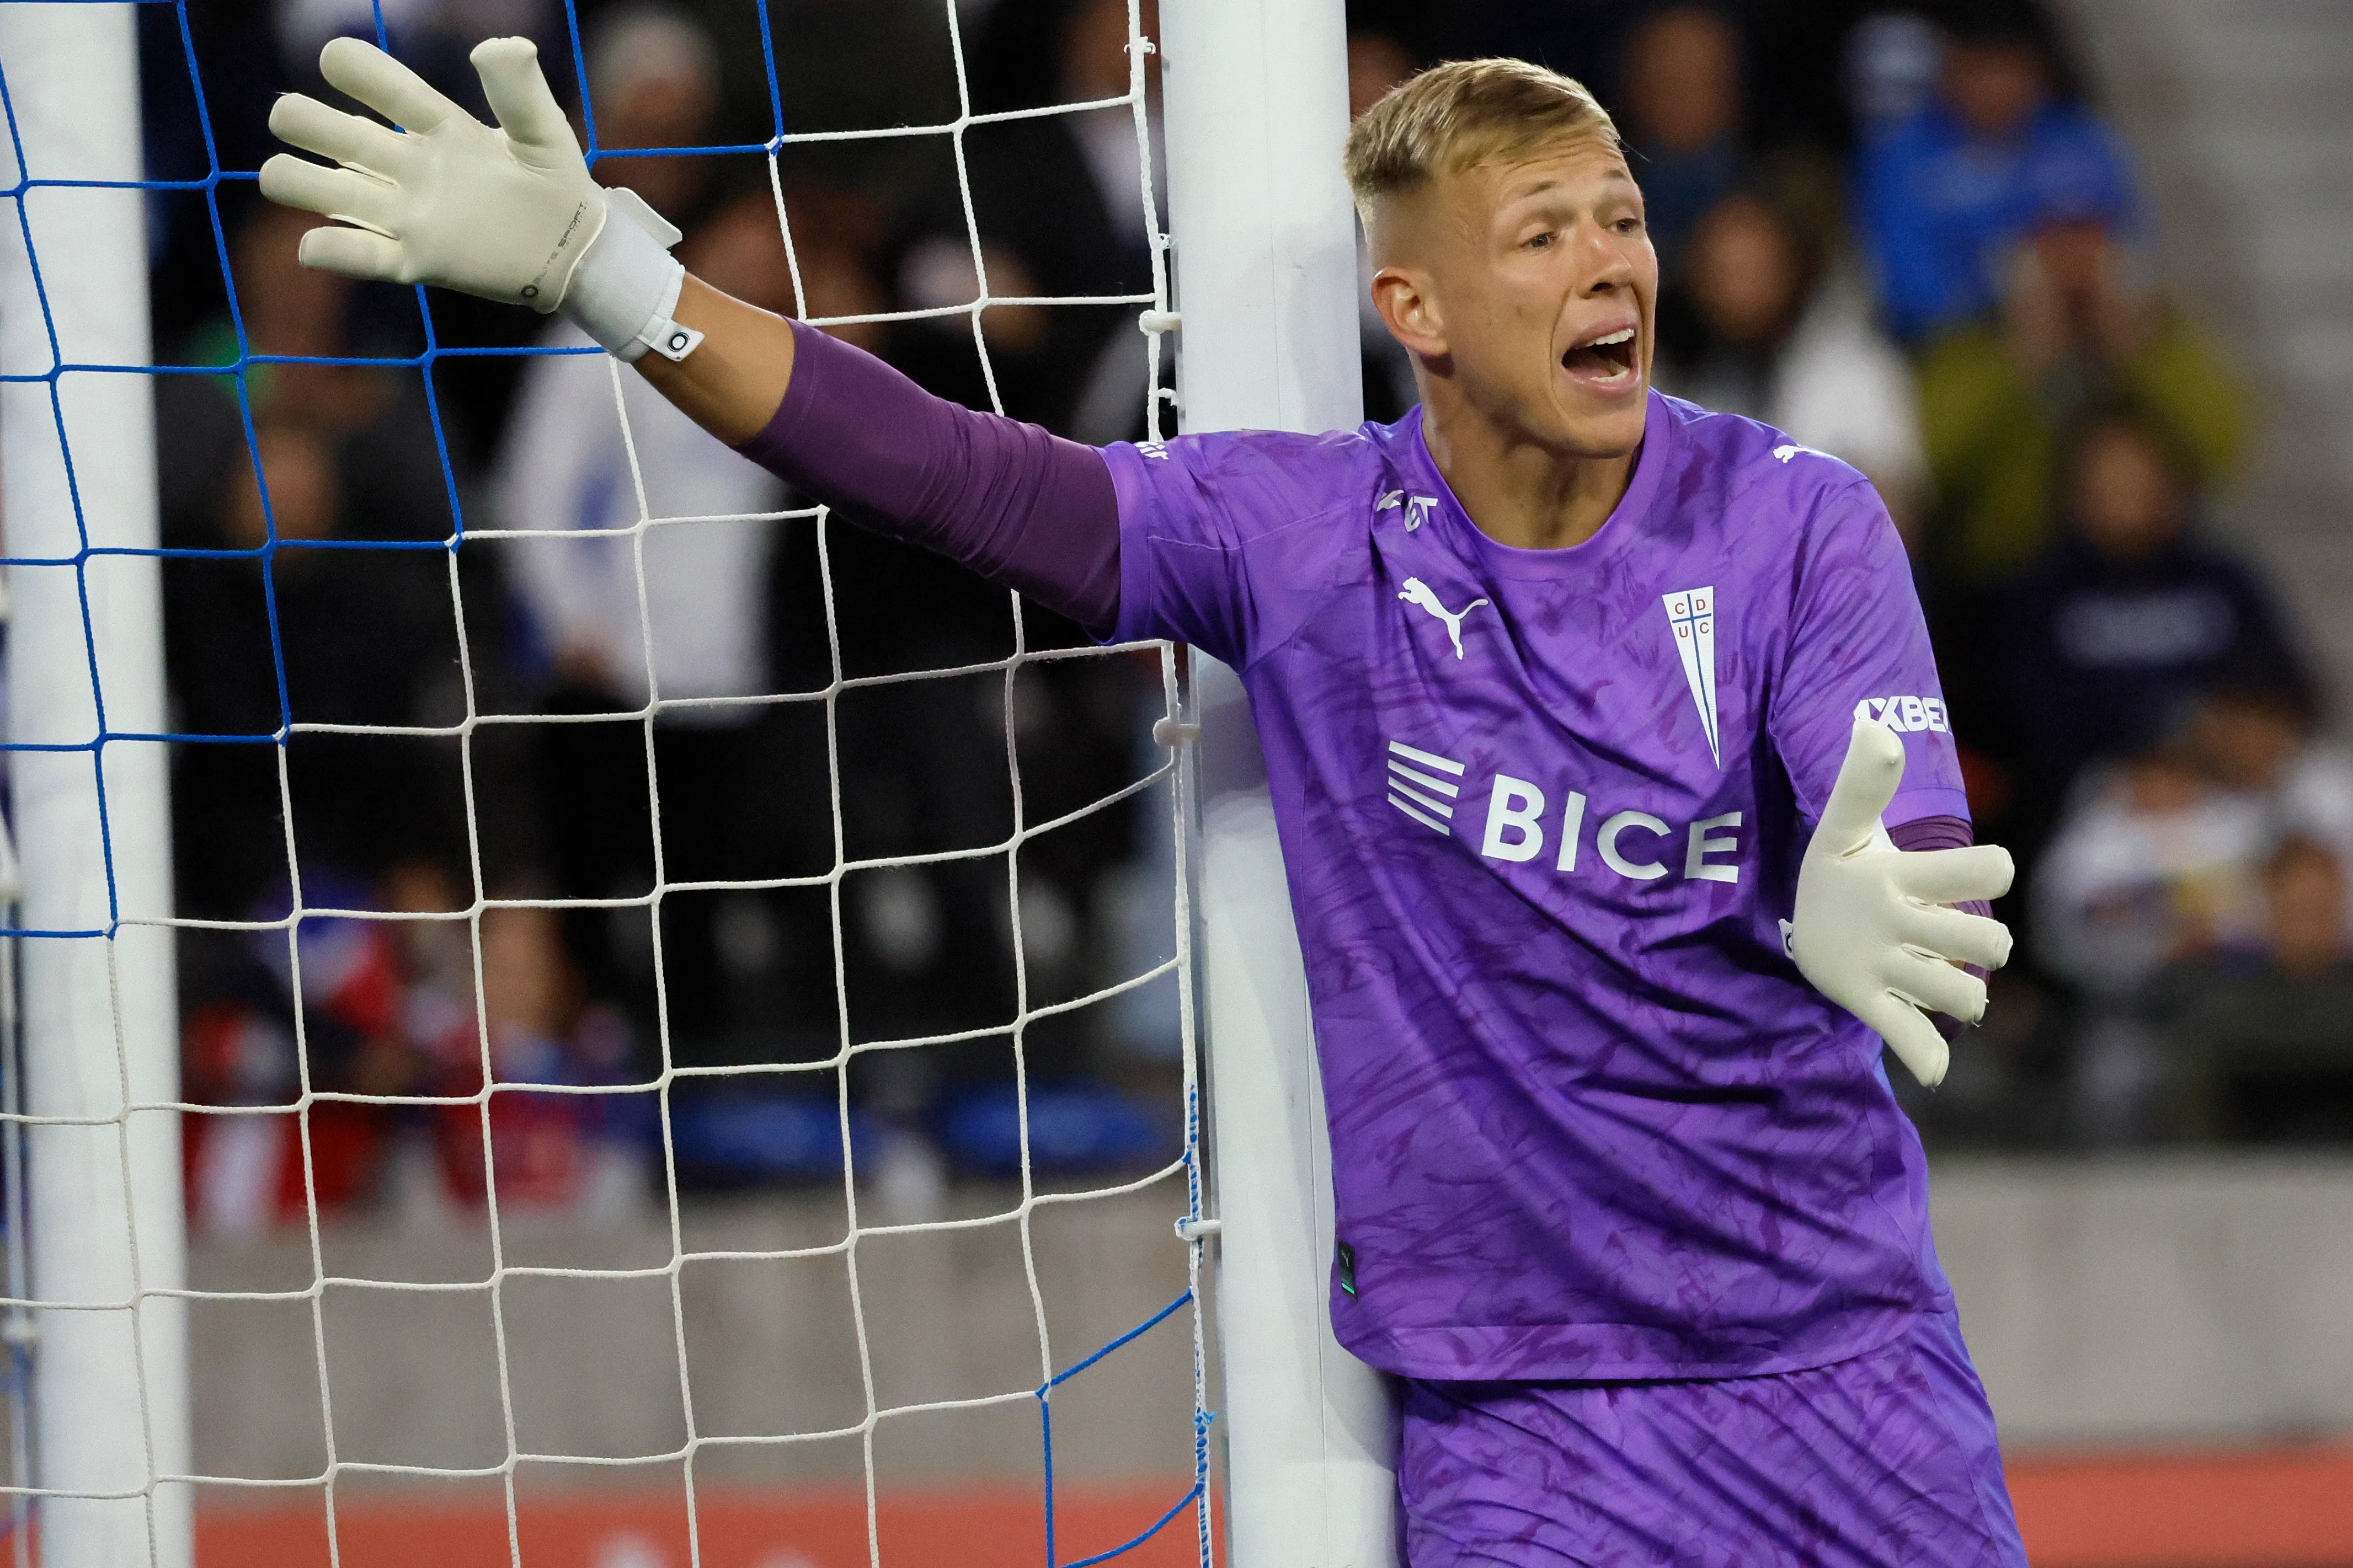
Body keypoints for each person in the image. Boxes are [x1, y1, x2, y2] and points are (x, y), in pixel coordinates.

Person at [261, 41, 2025, 1563]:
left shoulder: (1793, 520)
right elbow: (944, 468)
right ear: (1407, 305)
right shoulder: (1305, 537)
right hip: (1525, 1395)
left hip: (1832, 1346)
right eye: (1540, 233)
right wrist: (607, 267)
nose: (1607, 265)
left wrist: (1866, 885)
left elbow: (1903, 837)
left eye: (1620, 218)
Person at [1856, 2, 2136, 344]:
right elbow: (1910, 285)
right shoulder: (1903, 158)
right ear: (1949, 69)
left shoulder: (2078, 140)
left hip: (2098, 333)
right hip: (1961, 344)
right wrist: (2011, 286)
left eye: (2010, 69)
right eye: (1980, 69)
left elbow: (2130, 244)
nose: (1995, 87)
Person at [1655, 186, 1927, 534]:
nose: (1737, 291)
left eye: (1752, 271)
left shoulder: (1856, 366)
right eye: (1721, 272)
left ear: (1791, 269)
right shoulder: (1669, 377)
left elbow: (1896, 517)